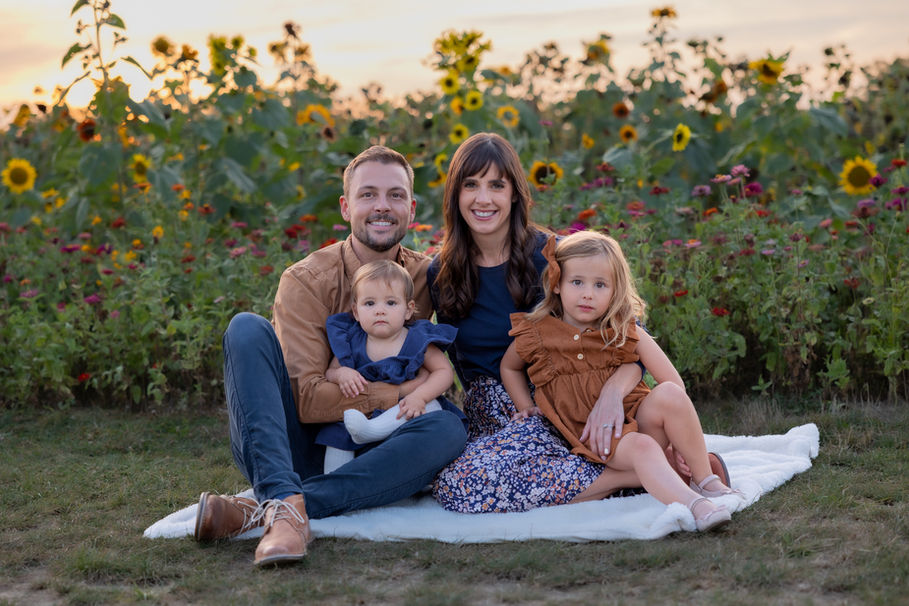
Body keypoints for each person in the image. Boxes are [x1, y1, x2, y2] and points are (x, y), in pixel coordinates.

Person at [429, 132, 735, 514]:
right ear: (455, 194)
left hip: (576, 399)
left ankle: (650, 465)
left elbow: (625, 330)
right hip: (505, 415)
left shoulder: (552, 255)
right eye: (471, 185)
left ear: (514, 194)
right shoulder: (441, 272)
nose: (483, 198)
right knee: (460, 487)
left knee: (501, 478)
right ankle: (646, 472)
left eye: (496, 185)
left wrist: (611, 394)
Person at [193, 146, 467, 567]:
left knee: (448, 428)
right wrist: (399, 393)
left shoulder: (426, 276)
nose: (382, 206)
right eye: (368, 195)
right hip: (309, 447)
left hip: (386, 451)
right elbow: (308, 399)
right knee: (245, 328)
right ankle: (285, 495)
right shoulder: (306, 280)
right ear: (346, 206)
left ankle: (268, 508)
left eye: (395, 196)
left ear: (411, 209)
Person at [501, 231, 737, 530]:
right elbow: (509, 367)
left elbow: (674, 384)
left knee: (669, 395)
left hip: (640, 418)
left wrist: (678, 441)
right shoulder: (538, 334)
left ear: (615, 291)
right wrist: (525, 405)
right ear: (557, 284)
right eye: (577, 282)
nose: (588, 293)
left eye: (600, 285)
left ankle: (706, 480)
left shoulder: (623, 329)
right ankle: (695, 504)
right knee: (641, 446)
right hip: (600, 438)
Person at [319, 259, 457, 473]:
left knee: (433, 409)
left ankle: (374, 433)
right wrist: (342, 374)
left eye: (391, 303)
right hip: (363, 414)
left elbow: (444, 372)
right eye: (370, 303)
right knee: (340, 430)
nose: (380, 311)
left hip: (405, 412)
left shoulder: (417, 339)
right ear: (356, 312)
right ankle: (331, 482)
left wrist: (419, 396)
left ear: (408, 310)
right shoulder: (352, 341)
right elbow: (331, 371)